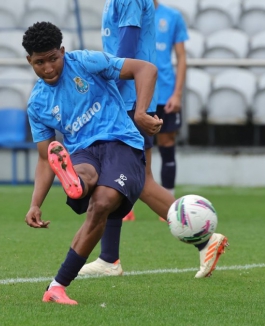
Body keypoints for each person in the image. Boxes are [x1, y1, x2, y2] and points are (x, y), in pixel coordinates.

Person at [79, 0, 228, 279]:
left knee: (130, 180)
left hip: (126, 99)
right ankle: (110, 258)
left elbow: (127, 50)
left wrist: (106, 87)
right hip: (130, 97)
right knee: (136, 181)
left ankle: (203, 240)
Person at [22, 22, 163, 305]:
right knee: (84, 173)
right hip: (83, 151)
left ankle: (58, 284)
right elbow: (43, 157)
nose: (48, 68)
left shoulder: (86, 62)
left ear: (62, 51)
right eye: (39, 63)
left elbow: (145, 69)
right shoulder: (38, 103)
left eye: (53, 59)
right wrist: (35, 203)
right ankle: (76, 183)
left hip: (121, 142)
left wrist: (140, 113)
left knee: (102, 202)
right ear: (29, 61)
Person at [154, 0, 188, 203]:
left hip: (165, 92)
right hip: (137, 93)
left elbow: (181, 57)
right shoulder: (130, 15)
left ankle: (169, 201)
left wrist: (177, 94)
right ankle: (125, 207)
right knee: (133, 148)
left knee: (167, 144)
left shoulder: (172, 16)